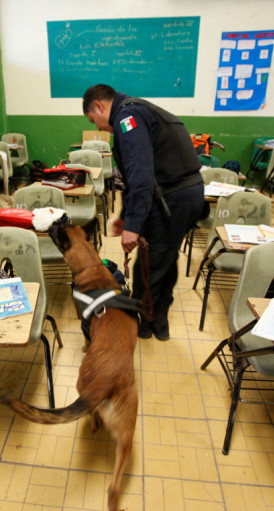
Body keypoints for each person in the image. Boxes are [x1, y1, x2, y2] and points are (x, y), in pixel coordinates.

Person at [82, 84, 205, 341]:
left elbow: (140, 175)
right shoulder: (138, 110)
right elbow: (136, 175)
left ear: (99, 105)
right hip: (180, 194)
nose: (99, 128)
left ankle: (144, 320)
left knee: (152, 260)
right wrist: (128, 217)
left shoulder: (128, 119)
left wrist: (133, 226)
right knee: (163, 257)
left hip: (174, 197)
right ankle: (155, 319)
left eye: (96, 121)